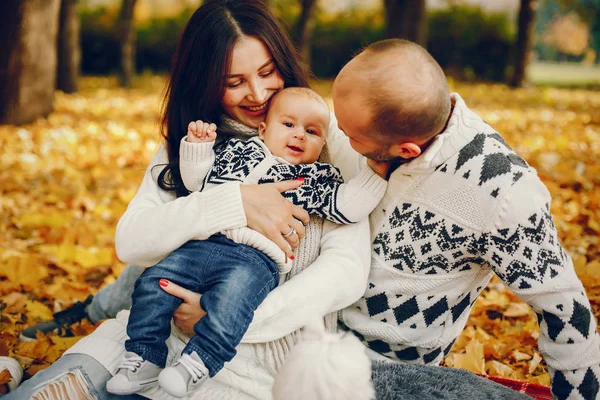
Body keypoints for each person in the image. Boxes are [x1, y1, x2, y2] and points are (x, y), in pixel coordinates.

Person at [6, 1, 372, 399]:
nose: (259, 94)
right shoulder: (195, 143)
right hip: (136, 346)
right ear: (205, 81)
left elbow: (345, 270)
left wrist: (225, 315)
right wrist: (235, 202)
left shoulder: (322, 136)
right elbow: (131, 240)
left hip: (239, 366)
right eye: (234, 82)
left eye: (268, 72)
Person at [330, 39, 600, 400]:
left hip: (389, 370)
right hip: (306, 330)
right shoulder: (371, 128)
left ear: (406, 149)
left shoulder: (503, 192)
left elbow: (564, 309)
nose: (340, 139)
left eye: (351, 137)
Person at [107, 87, 385, 397]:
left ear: (322, 143)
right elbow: (197, 181)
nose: (298, 136)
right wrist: (197, 148)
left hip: (255, 259)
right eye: (288, 125)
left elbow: (348, 206)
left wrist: (378, 172)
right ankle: (144, 356)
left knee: (231, 302)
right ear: (264, 129)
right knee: (152, 284)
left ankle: (199, 362)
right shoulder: (236, 152)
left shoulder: (315, 178)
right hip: (202, 245)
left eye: (311, 131)